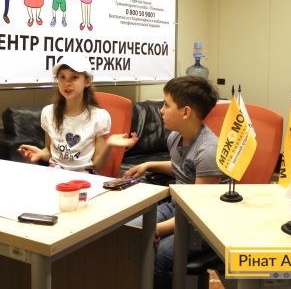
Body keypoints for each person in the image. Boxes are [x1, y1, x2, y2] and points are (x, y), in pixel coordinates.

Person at [124, 76, 224, 286]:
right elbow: (182, 168)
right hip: (177, 207)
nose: (161, 110)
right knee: (128, 231)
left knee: (157, 253)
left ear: (186, 112)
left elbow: (199, 211)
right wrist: (149, 164)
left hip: (205, 222)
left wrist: (156, 230)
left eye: (166, 105)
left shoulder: (208, 150)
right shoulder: (175, 137)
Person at [18, 55, 138, 173]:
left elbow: (98, 166)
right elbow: (49, 151)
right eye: (62, 77)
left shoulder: (99, 117)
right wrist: (40, 153)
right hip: (55, 174)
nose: (67, 83)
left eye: (74, 77)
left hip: (84, 177)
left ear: (87, 81)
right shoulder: (48, 113)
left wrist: (109, 145)